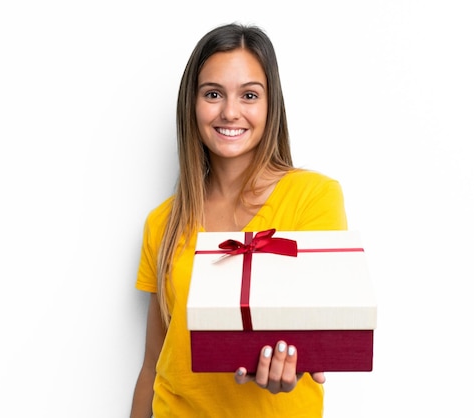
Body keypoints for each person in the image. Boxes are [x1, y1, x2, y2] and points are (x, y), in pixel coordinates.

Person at [130, 22, 348, 417]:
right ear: (191, 104)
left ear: (270, 106)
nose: (230, 112)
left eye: (249, 95)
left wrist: (295, 365)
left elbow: (321, 332)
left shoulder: (313, 198)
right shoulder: (163, 222)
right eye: (213, 94)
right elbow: (153, 366)